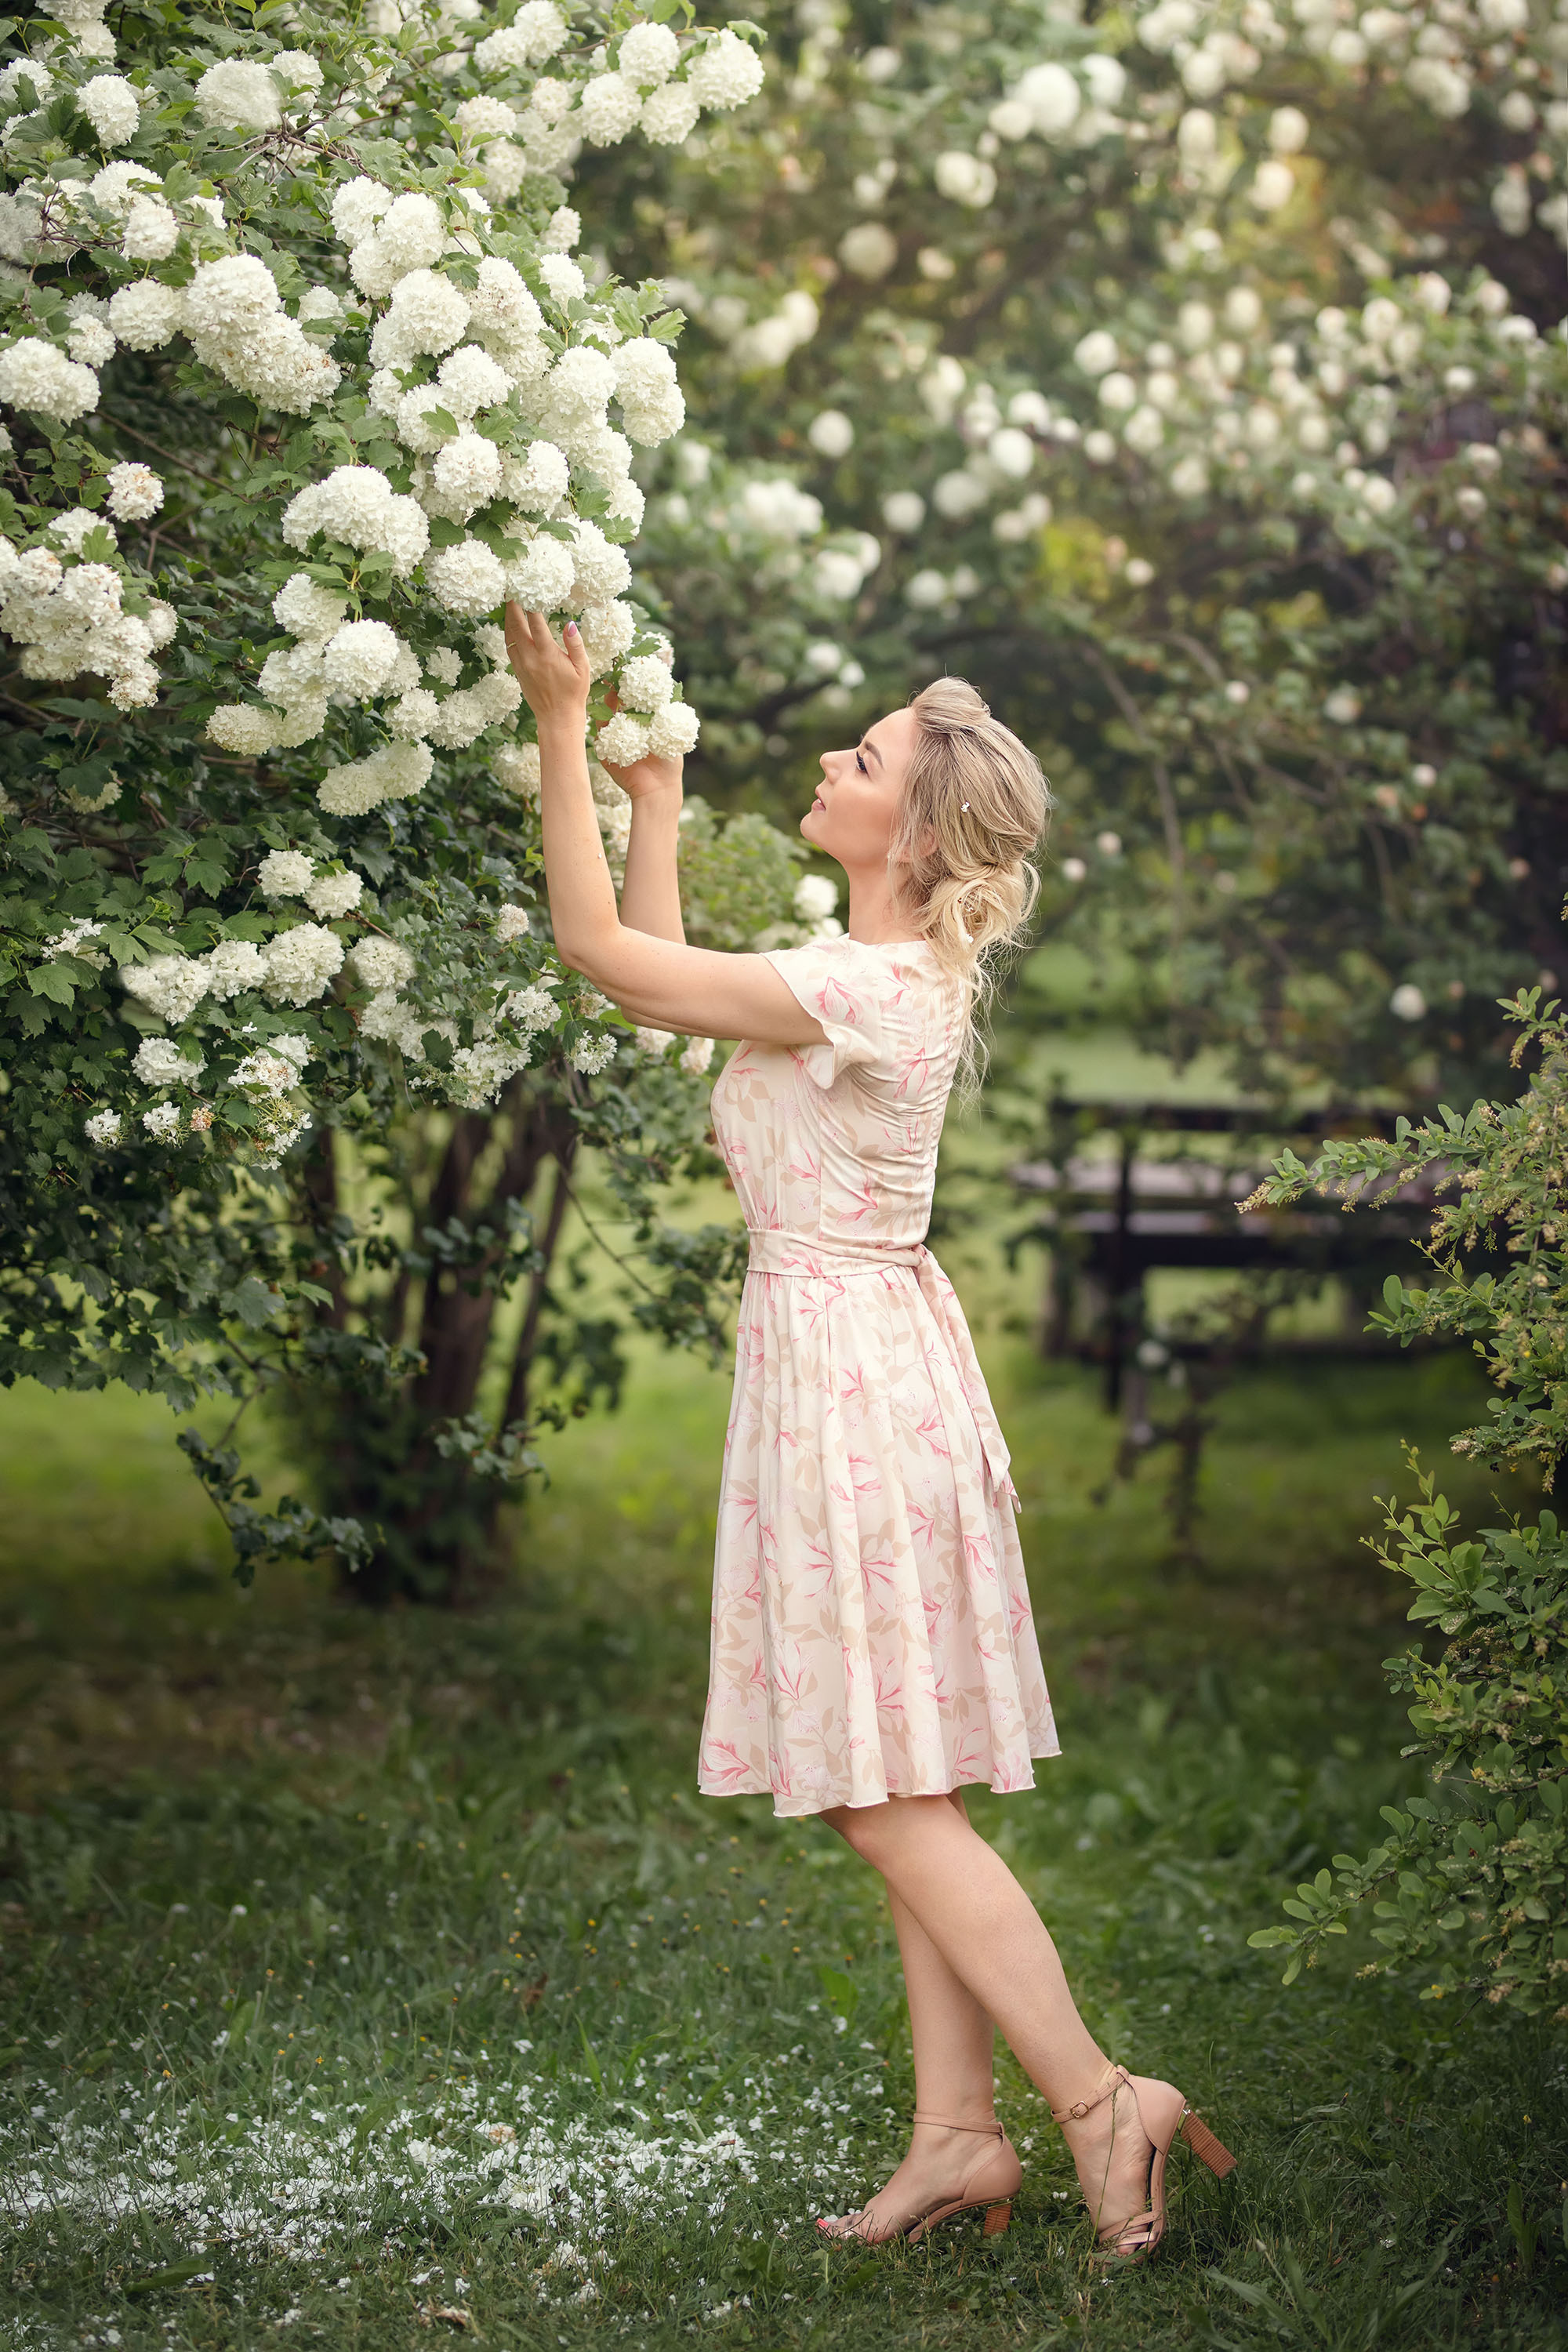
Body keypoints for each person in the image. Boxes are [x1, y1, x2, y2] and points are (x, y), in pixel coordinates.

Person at [504, 608, 1236, 2260]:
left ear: (911, 834)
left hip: (854, 1385)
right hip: (855, 1364)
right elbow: (665, 1000)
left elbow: (601, 957)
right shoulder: (857, 980)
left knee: (874, 1789)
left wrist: (558, 725)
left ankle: (1097, 2098)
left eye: (868, 756)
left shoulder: (866, 989)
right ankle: (957, 2136)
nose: (835, 761)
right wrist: (651, 801)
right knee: (898, 1771)